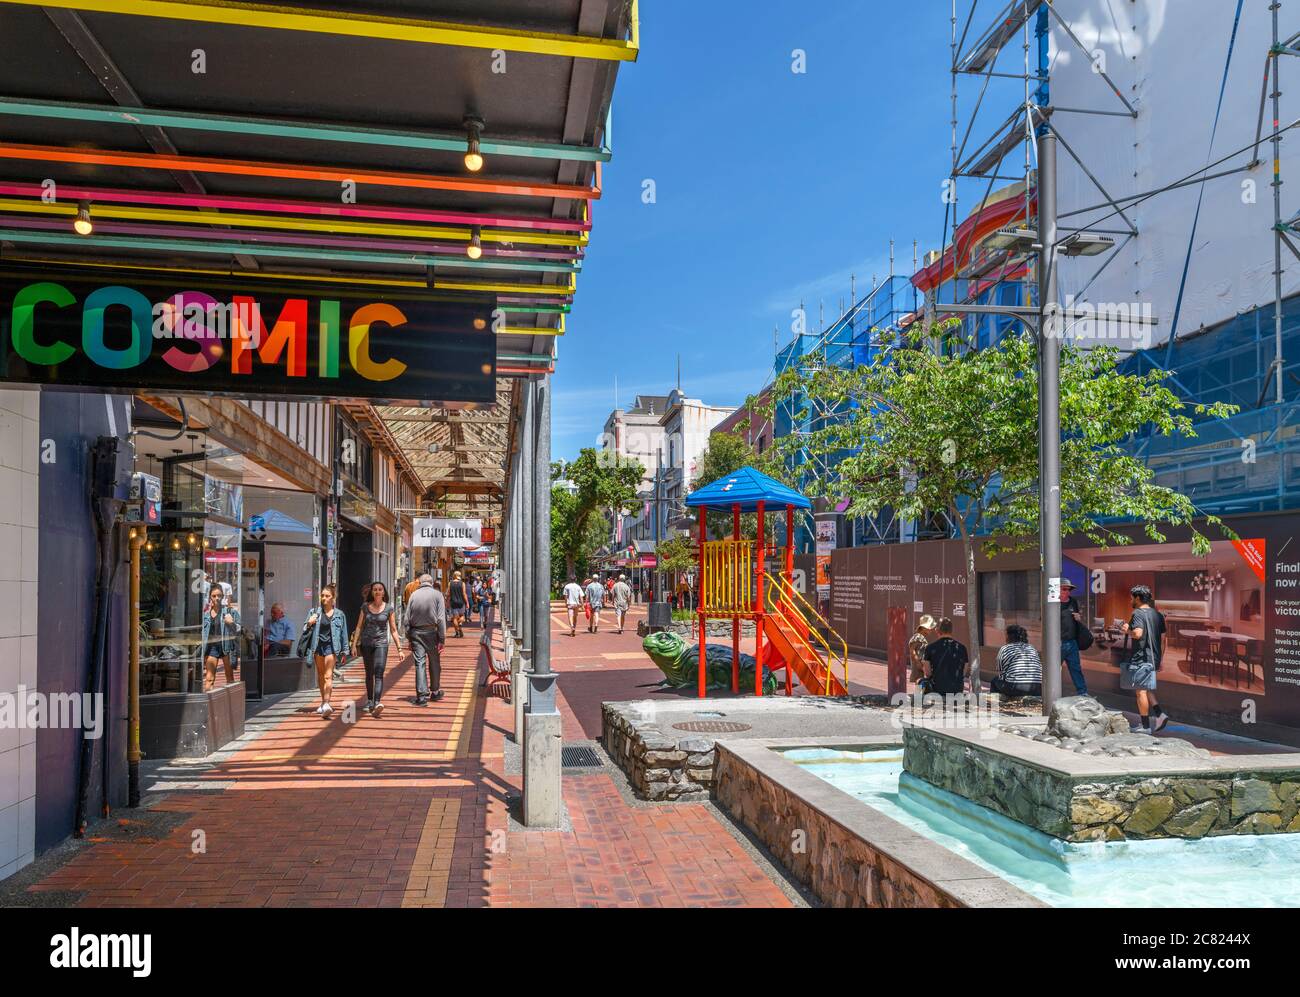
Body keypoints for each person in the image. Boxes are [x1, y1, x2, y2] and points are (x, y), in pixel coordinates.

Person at [1119, 585, 1169, 733]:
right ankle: (1160, 715)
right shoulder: (1158, 615)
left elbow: (1138, 634)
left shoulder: (1138, 613)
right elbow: (1164, 638)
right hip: (1153, 658)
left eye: (1132, 597)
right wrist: (1160, 659)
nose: (1131, 600)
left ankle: (1145, 726)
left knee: (1140, 692)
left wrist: (1126, 630)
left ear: (1138, 598)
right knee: (1146, 687)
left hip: (1141, 658)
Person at [350, 581, 401, 717]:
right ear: (372, 592)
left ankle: (377, 702)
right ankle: (370, 701)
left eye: (380, 589)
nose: (378, 592)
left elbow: (394, 630)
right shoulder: (365, 607)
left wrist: (399, 648)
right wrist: (354, 645)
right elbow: (359, 626)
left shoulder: (389, 608)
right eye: (375, 590)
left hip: (381, 644)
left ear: (384, 592)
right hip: (366, 644)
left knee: (379, 672)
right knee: (369, 674)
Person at [303, 584, 348, 717]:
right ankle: (323, 702)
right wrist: (309, 622)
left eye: (327, 596)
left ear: (333, 598)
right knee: (321, 676)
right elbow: (304, 630)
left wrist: (345, 651)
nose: (324, 598)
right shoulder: (314, 612)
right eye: (322, 595)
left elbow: (343, 634)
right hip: (317, 647)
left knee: (328, 675)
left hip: (331, 648)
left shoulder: (339, 615)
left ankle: (327, 703)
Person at [405, 573, 447, 705]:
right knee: (434, 663)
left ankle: (422, 696)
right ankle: (435, 691)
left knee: (420, 664)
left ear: (420, 582)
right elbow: (441, 618)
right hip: (432, 632)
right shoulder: (437, 595)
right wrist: (442, 639)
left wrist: (409, 637)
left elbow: (406, 619)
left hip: (416, 633)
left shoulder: (413, 595)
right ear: (432, 582)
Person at [200, 585, 240, 691]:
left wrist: (231, 623)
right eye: (214, 596)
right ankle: (208, 705)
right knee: (209, 679)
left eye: (219, 595)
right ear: (210, 597)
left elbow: (240, 629)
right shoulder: (205, 615)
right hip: (212, 648)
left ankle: (230, 704)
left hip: (226, 647)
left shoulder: (230, 612)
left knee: (230, 678)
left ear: (223, 596)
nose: (217, 598)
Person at [990, 624, 1043, 698]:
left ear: (1008, 637)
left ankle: (997, 706)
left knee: (994, 681)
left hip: (1016, 686)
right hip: (1037, 687)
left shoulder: (1005, 648)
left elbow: (1000, 670)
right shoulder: (1032, 648)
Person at [922, 617, 970, 696]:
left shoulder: (930, 648)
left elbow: (928, 673)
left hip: (937, 688)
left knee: (919, 681)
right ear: (951, 631)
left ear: (937, 631)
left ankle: (918, 704)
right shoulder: (962, 648)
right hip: (957, 689)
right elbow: (964, 671)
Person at [1059, 578, 1088, 696]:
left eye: (1069, 589)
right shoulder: (1053, 603)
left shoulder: (1073, 602)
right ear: (1058, 590)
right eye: (1064, 589)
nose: (1067, 592)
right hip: (1058, 643)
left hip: (1071, 642)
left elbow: (1078, 620)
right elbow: (1044, 621)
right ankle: (1051, 693)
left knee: (1076, 669)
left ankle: (1083, 693)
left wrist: (1079, 619)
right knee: (1054, 670)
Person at [908, 614, 938, 687]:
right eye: (930, 627)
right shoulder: (918, 637)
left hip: (921, 666)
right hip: (919, 666)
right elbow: (912, 650)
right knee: (919, 683)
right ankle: (918, 697)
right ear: (924, 628)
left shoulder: (920, 637)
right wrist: (918, 663)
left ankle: (919, 697)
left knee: (920, 684)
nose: (931, 629)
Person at [447, 570, 468, 638]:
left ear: (454, 576)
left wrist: (447, 602)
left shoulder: (450, 583)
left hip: (453, 602)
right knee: (462, 616)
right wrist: (467, 602)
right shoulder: (462, 583)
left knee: (454, 618)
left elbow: (448, 594)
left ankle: (457, 632)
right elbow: (464, 594)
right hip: (461, 602)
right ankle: (460, 624)